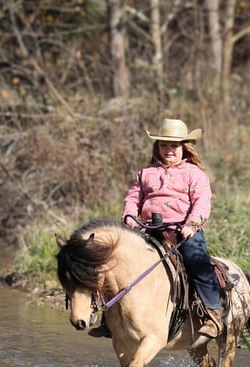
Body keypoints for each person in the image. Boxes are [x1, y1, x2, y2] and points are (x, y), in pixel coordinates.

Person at [89, 118, 223, 340]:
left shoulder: (194, 174)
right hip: (150, 230)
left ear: (184, 148)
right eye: (164, 145)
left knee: (197, 262)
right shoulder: (145, 173)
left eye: (174, 146)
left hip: (183, 232)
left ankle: (213, 314)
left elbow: (202, 202)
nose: (168, 150)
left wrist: (191, 225)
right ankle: (109, 319)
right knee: (116, 261)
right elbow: (132, 198)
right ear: (157, 147)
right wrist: (130, 218)